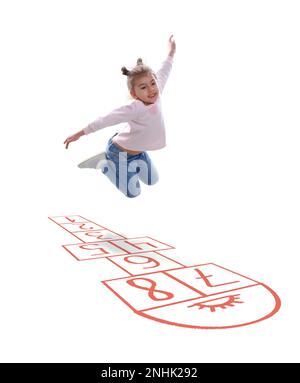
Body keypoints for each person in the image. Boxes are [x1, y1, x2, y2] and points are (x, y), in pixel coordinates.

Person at [64, 35, 176, 198]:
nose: (151, 90)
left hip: (138, 152)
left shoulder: (157, 92)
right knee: (133, 193)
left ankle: (131, 167)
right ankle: (105, 164)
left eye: (153, 83)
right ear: (134, 93)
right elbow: (105, 119)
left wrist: (171, 51)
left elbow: (164, 70)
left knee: (153, 181)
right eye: (143, 87)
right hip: (120, 153)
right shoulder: (134, 108)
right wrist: (79, 134)